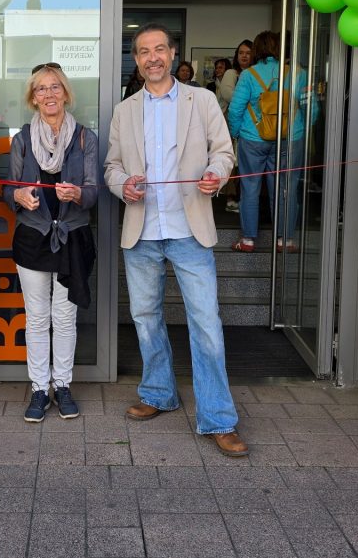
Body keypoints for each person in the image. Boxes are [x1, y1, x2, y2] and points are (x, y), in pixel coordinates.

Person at [104, 23, 247, 457]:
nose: (152, 57)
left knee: (206, 324)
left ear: (172, 54)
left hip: (189, 229)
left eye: (159, 49)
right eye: (144, 51)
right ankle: (159, 393)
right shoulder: (124, 109)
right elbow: (111, 166)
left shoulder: (200, 100)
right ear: (136, 59)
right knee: (146, 319)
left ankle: (219, 418)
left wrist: (215, 175)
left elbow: (225, 152)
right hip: (142, 231)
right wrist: (123, 184)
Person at [3, 63, 98, 423]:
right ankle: (39, 388)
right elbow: (8, 190)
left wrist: (76, 195)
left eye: (55, 87)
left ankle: (63, 385)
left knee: (65, 316)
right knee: (37, 317)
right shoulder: (23, 139)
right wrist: (19, 197)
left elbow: (93, 193)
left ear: (66, 92)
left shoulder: (85, 138)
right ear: (33, 97)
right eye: (41, 89)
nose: (48, 94)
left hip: (72, 237)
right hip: (32, 238)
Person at [227, 30, 310, 254]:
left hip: (253, 139)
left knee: (250, 188)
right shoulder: (299, 74)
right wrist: (301, 131)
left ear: (257, 50)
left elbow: (235, 110)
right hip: (290, 139)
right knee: (286, 189)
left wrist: (235, 134)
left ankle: (248, 240)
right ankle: (286, 240)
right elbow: (312, 108)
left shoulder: (248, 75)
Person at [217, 40, 253, 213]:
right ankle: (230, 198)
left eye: (247, 52)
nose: (244, 56)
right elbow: (228, 94)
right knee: (231, 159)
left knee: (245, 160)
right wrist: (251, 99)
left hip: (250, 123)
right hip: (230, 120)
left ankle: (244, 198)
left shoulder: (254, 73)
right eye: (241, 52)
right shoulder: (231, 72)